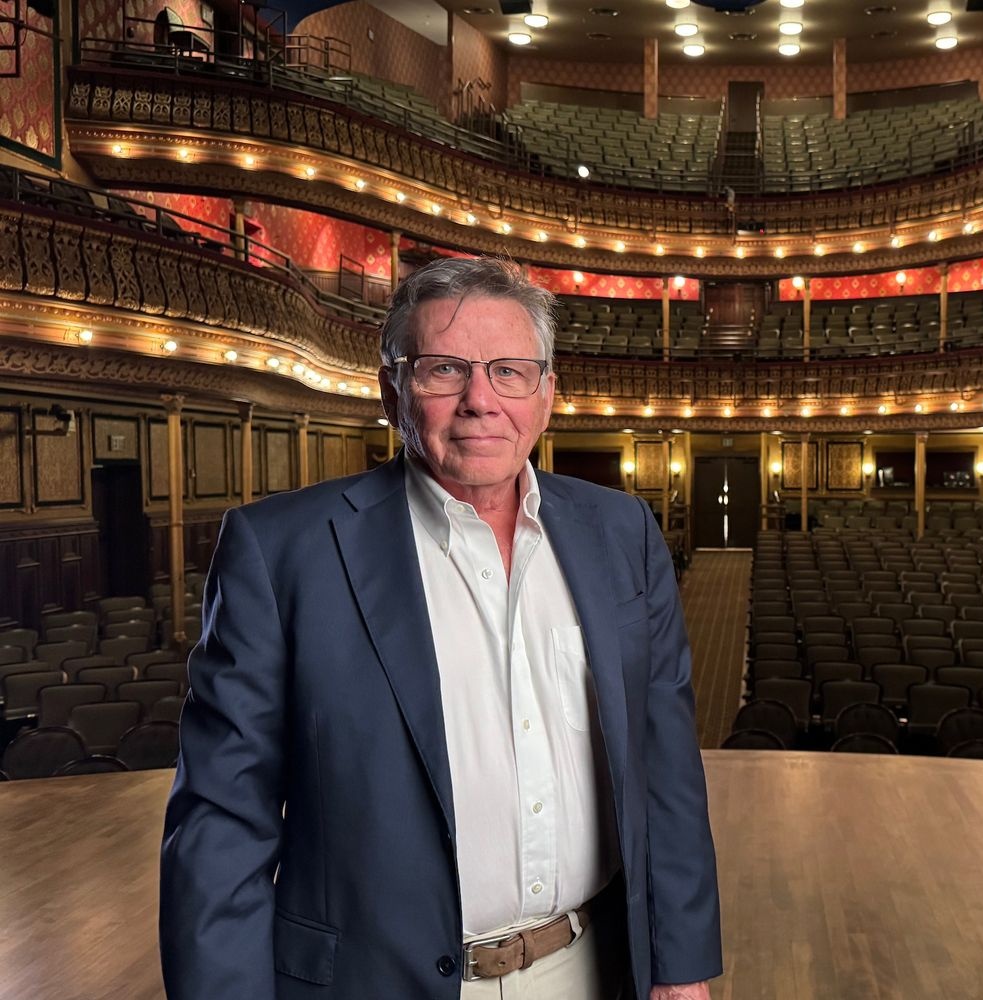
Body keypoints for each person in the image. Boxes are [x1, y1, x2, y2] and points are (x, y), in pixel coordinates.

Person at [160, 256, 722, 1000]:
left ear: (548, 393)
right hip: (374, 980)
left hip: (594, 966)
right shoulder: (281, 551)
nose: (480, 400)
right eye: (445, 369)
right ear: (391, 389)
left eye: (511, 372)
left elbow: (664, 765)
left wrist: (680, 967)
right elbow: (221, 825)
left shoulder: (620, 531)